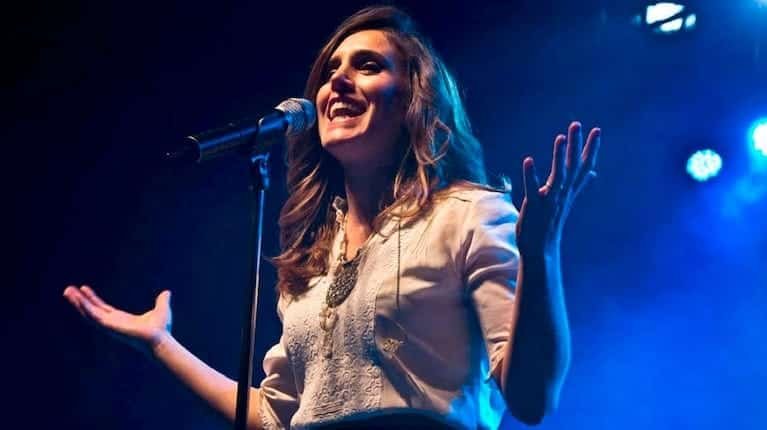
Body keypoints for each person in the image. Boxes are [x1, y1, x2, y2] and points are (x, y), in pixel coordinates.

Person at [63, 5, 600, 429]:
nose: (337, 81)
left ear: (414, 100)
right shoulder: (312, 258)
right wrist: (162, 344)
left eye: (367, 66)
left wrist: (540, 252)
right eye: (330, 71)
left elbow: (530, 399)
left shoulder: (468, 215)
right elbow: (276, 416)